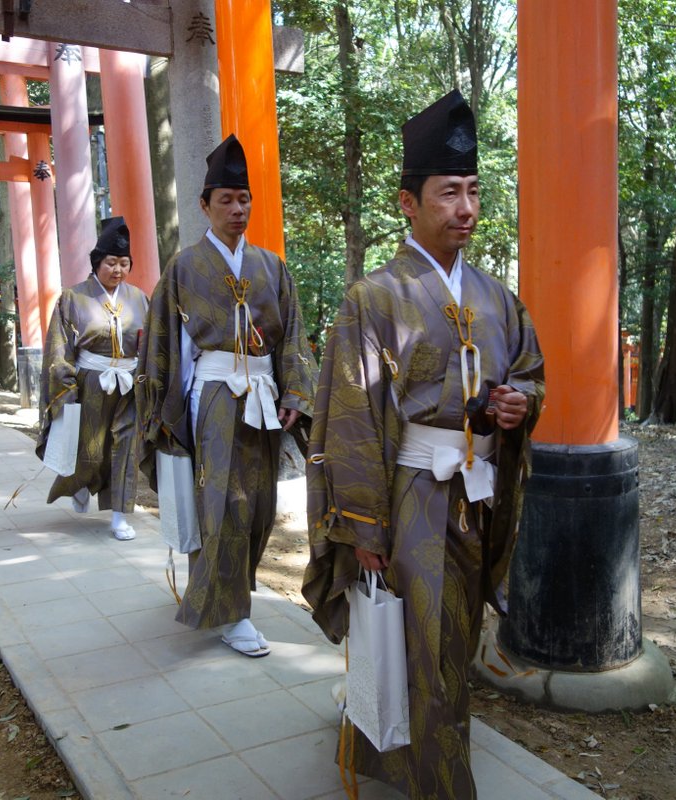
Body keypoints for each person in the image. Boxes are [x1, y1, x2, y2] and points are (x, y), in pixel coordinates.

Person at [301, 90, 546, 799]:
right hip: (412, 495)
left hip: (478, 493)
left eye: (473, 191)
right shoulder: (374, 298)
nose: (465, 208)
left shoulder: (498, 297)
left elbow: (529, 371)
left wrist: (519, 403)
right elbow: (350, 415)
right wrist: (364, 525)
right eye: (448, 192)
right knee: (430, 645)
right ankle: (444, 785)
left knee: (449, 639)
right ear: (408, 203)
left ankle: (385, 749)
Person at [139, 134, 318, 657]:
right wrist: (168, 412)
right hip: (213, 395)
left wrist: (295, 393)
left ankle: (226, 593)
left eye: (244, 200)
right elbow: (164, 346)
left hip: (263, 394)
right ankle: (231, 613)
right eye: (226, 200)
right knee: (221, 502)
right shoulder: (183, 268)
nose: (238, 210)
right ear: (205, 205)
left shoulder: (271, 266)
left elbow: (292, 335)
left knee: (259, 503)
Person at [35, 217, 150, 540]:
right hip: (90, 383)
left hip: (129, 384)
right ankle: (81, 483)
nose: (118, 270)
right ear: (97, 263)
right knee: (90, 447)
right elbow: (60, 346)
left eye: (124, 264)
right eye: (111, 263)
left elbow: (152, 342)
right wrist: (65, 387)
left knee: (126, 448)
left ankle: (119, 516)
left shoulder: (139, 298)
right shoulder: (73, 297)